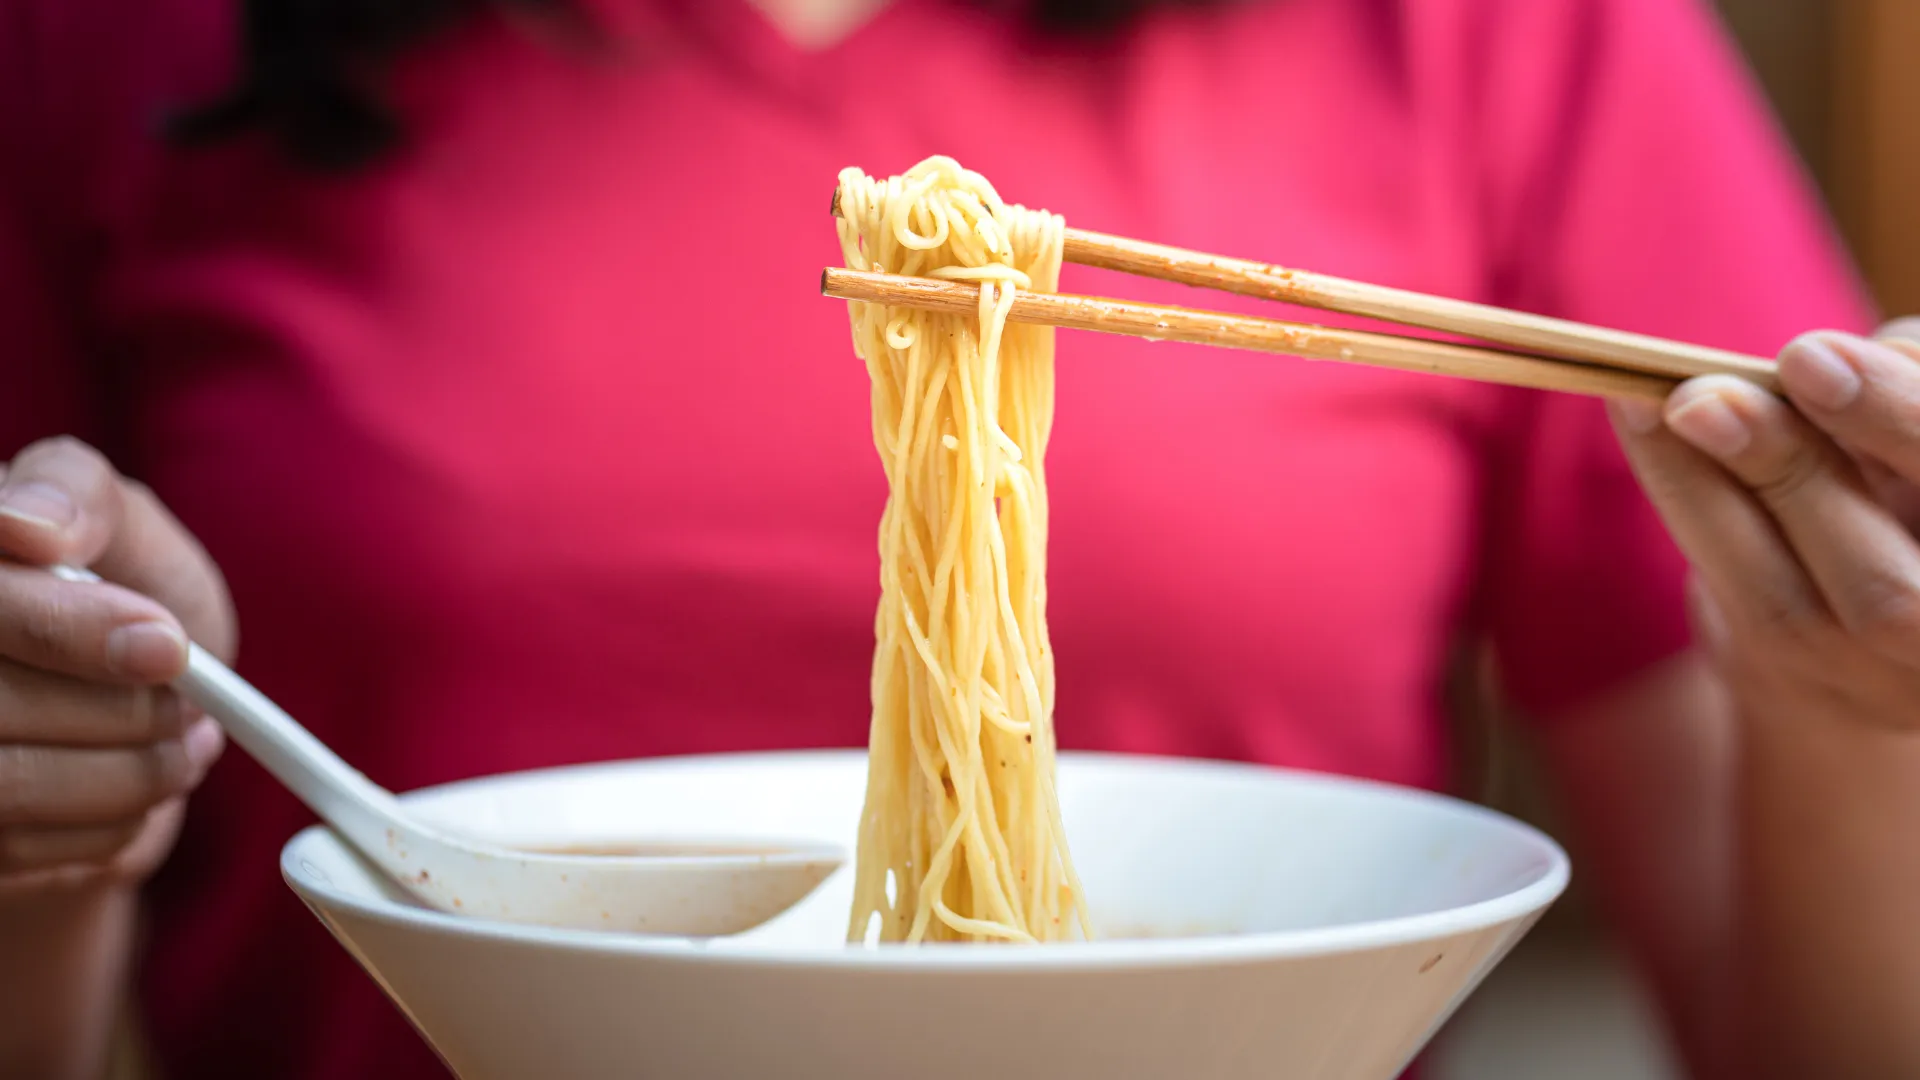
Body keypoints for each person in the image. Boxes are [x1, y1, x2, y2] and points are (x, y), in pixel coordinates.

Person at [0, 0, 1910, 1076]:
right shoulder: (107, 43)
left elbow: (1804, 1042)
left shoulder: (1507, 34)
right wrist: (51, 828)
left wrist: (1858, 708)